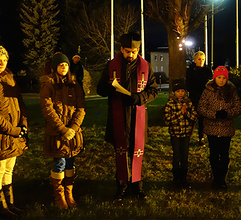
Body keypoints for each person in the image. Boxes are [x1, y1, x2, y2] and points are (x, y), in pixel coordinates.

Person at [97, 32, 158, 201]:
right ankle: (122, 186)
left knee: (136, 153)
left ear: (138, 50)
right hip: (118, 117)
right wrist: (109, 88)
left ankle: (137, 186)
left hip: (137, 116)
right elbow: (100, 89)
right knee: (121, 153)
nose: (130, 55)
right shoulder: (111, 66)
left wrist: (140, 98)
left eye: (134, 51)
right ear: (121, 49)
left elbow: (154, 90)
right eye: (127, 51)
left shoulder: (146, 67)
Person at [40, 53, 86, 209]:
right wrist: (63, 129)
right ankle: (59, 195)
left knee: (70, 163)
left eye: (66, 65)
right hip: (57, 133)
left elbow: (81, 107)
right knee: (59, 163)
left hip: (72, 133)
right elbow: (48, 110)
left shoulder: (75, 84)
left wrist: (73, 128)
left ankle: (69, 193)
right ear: (55, 68)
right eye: (61, 65)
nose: (64, 67)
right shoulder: (49, 85)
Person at [197, 66, 241, 189]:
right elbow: (201, 107)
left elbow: (238, 107)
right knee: (214, 154)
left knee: (224, 154)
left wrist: (227, 114)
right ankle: (216, 177)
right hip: (212, 128)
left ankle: (222, 178)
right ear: (214, 78)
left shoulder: (231, 91)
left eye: (223, 78)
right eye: (219, 78)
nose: (221, 80)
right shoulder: (208, 91)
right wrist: (214, 114)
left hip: (226, 129)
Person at [0, 46, 28, 219]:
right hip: (4, 134)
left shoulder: (10, 78)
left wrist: (23, 123)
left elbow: (20, 102)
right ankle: (1, 207)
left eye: (4, 59)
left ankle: (9, 203)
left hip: (14, 135)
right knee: (0, 170)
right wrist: (13, 130)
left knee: (9, 169)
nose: (1, 62)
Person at [164, 78, 197, 187]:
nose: (180, 93)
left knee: (185, 155)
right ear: (174, 92)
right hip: (175, 134)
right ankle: (176, 177)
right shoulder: (170, 104)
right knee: (176, 155)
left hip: (186, 134)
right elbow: (168, 120)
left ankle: (183, 177)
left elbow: (194, 117)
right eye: (178, 91)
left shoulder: (189, 102)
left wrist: (186, 114)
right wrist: (180, 114)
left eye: (182, 91)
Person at [186, 51, 212, 146]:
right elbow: (189, 85)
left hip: (205, 99)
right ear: (195, 60)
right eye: (199, 59)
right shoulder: (190, 71)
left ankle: (201, 137)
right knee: (192, 119)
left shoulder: (208, 71)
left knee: (203, 120)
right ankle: (188, 137)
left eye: (203, 59)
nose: (201, 61)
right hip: (194, 98)